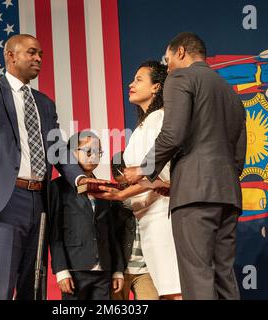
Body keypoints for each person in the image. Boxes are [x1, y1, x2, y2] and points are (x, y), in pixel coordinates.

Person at [0, 35, 100, 300]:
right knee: (1, 289)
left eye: (41, 54)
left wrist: (79, 179)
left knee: (34, 288)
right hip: (4, 201)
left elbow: (58, 149)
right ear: (10, 56)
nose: (38, 59)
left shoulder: (44, 103)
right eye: (31, 52)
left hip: (39, 202)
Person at [124, 32, 247, 300]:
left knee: (197, 276)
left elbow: (173, 134)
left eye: (167, 60)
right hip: (227, 194)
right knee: (224, 275)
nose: (167, 68)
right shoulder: (231, 94)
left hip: (194, 195)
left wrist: (143, 169)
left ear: (180, 52)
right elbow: (239, 158)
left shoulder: (181, 77)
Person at [95, 61, 182, 299]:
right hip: (148, 217)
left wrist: (121, 194)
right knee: (168, 292)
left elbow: (163, 179)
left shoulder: (158, 118)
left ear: (156, 87)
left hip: (163, 214)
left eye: (139, 79)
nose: (131, 84)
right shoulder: (145, 123)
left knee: (174, 292)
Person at [49, 131, 124, 300]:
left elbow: (112, 233)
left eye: (98, 152)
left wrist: (117, 269)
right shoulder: (58, 188)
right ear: (72, 153)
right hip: (75, 270)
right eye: (88, 151)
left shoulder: (104, 187)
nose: (93, 156)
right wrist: (61, 271)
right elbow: (54, 233)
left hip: (104, 270)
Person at [110, 152, 159, 300]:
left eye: (130, 183)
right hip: (119, 270)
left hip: (146, 269)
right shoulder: (112, 200)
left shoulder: (155, 191)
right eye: (122, 185)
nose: (126, 188)